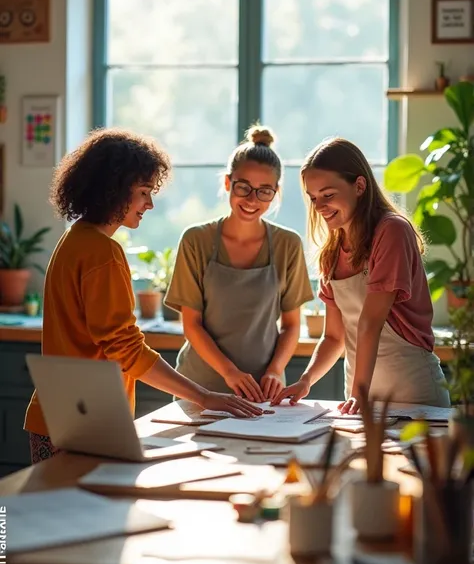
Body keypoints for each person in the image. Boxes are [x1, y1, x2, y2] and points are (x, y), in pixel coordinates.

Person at [24, 128, 262, 463]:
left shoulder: (74, 240)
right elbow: (126, 349)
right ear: (114, 190)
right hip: (84, 421)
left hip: (56, 412)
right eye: (143, 192)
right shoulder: (103, 253)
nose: (149, 204)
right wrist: (203, 396)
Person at [272, 137, 450, 414]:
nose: (319, 207)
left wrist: (360, 391)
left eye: (328, 195)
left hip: (414, 394)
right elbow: (333, 337)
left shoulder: (392, 231)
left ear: (359, 186)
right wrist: (305, 381)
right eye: (313, 197)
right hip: (359, 397)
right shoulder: (331, 253)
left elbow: (370, 321)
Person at [164, 125, 314, 403]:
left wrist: (275, 370)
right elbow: (192, 324)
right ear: (227, 183)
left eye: (264, 191)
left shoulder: (287, 244)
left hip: (263, 392)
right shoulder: (196, 240)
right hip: (199, 391)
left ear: (276, 192)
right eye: (243, 187)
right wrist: (229, 372)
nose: (252, 200)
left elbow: (292, 325)